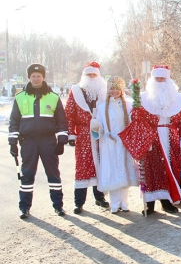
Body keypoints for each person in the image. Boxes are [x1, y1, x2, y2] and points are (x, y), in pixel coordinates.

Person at [120, 65, 181, 215]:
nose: (160, 81)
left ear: (168, 79)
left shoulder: (179, 100)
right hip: (150, 139)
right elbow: (137, 119)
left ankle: (167, 202)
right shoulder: (143, 99)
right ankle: (150, 204)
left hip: (170, 140)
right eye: (157, 78)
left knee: (168, 170)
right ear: (152, 79)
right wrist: (136, 106)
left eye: (162, 78)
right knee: (150, 171)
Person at [8, 64, 68, 219]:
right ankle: (24, 208)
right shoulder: (20, 97)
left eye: (39, 76)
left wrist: (61, 141)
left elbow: (62, 121)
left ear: (43, 77)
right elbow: (14, 121)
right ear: (29, 77)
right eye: (33, 76)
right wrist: (12, 143)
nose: (36, 79)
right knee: (27, 175)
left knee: (53, 174)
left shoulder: (53, 97)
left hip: (48, 141)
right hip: (29, 142)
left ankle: (58, 206)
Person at [65, 61, 109, 214]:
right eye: (89, 74)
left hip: (100, 134)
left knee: (100, 165)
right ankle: (79, 202)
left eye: (94, 74)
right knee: (83, 167)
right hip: (83, 134)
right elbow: (69, 114)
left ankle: (100, 197)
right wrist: (71, 134)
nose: (91, 77)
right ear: (84, 75)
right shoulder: (76, 90)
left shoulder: (103, 90)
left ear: (98, 76)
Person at [90, 76, 139, 214]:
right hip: (109, 143)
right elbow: (99, 126)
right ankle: (114, 204)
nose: (114, 91)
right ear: (108, 90)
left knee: (124, 171)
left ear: (121, 90)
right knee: (113, 173)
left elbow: (132, 122)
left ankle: (124, 203)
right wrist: (96, 126)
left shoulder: (128, 105)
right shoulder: (101, 107)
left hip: (124, 143)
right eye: (112, 89)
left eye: (117, 89)